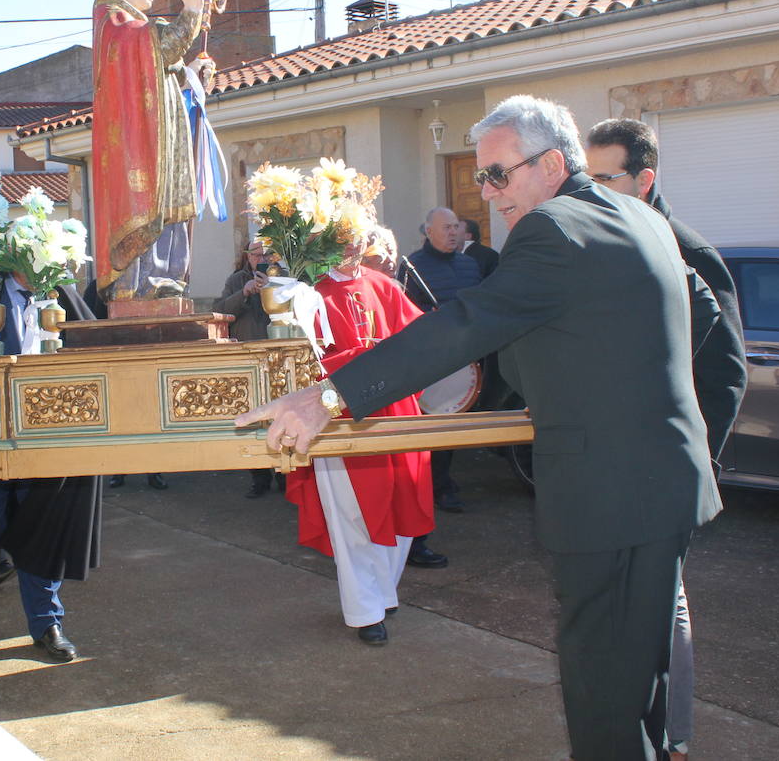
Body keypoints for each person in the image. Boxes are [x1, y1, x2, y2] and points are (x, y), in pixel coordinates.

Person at [238, 95, 722, 760]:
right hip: (670, 480)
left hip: (609, 496)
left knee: (602, 685)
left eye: (499, 173)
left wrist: (327, 398)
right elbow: (701, 318)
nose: (489, 195)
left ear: (552, 163)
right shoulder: (637, 214)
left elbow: (462, 325)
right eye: (484, 176)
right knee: (646, 675)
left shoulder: (552, 228)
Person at [586, 117, 748, 761]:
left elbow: (725, 371)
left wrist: (695, 462)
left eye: (605, 178)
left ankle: (672, 735)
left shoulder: (681, 248)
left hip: (665, 473)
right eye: (586, 177)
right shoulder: (615, 241)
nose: (590, 191)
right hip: (618, 468)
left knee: (662, 602)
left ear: (644, 180)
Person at [0, 272, 101, 663]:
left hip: (46, 440)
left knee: (44, 532)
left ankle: (46, 623)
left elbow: (91, 349)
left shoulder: (59, 294)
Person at [289, 227, 435, 646]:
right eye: (340, 238)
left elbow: (423, 341)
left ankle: (383, 591)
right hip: (338, 415)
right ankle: (364, 610)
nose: (351, 246)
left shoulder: (384, 286)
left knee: (404, 503)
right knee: (353, 516)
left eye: (356, 237)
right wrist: (364, 362)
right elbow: (301, 358)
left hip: (396, 413)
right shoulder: (309, 294)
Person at [91, 0, 204, 302]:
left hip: (162, 141)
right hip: (140, 147)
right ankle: (141, 283)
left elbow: (161, 63)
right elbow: (162, 46)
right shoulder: (115, 23)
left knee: (170, 207)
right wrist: (192, 9)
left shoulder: (130, 24)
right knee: (148, 207)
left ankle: (167, 277)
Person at [399, 207, 482, 521]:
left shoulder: (470, 265)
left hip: (465, 357)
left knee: (455, 422)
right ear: (428, 231)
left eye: (456, 227)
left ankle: (442, 481)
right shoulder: (411, 267)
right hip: (429, 360)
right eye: (446, 227)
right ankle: (432, 484)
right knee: (432, 423)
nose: (453, 233)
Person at [213, 239, 275, 498]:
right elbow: (219, 311)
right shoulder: (236, 280)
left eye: (265, 254)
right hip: (248, 358)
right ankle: (259, 478)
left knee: (280, 415)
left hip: (277, 356)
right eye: (255, 254)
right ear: (247, 256)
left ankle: (285, 477)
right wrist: (245, 293)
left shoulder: (282, 275)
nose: (259, 258)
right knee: (253, 418)